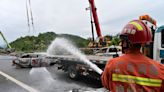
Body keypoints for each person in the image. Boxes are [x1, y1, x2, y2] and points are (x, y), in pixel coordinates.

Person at [101, 20, 164, 92]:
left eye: (122, 41)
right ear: (144, 43)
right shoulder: (161, 69)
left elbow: (106, 84)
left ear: (126, 42)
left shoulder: (112, 64)